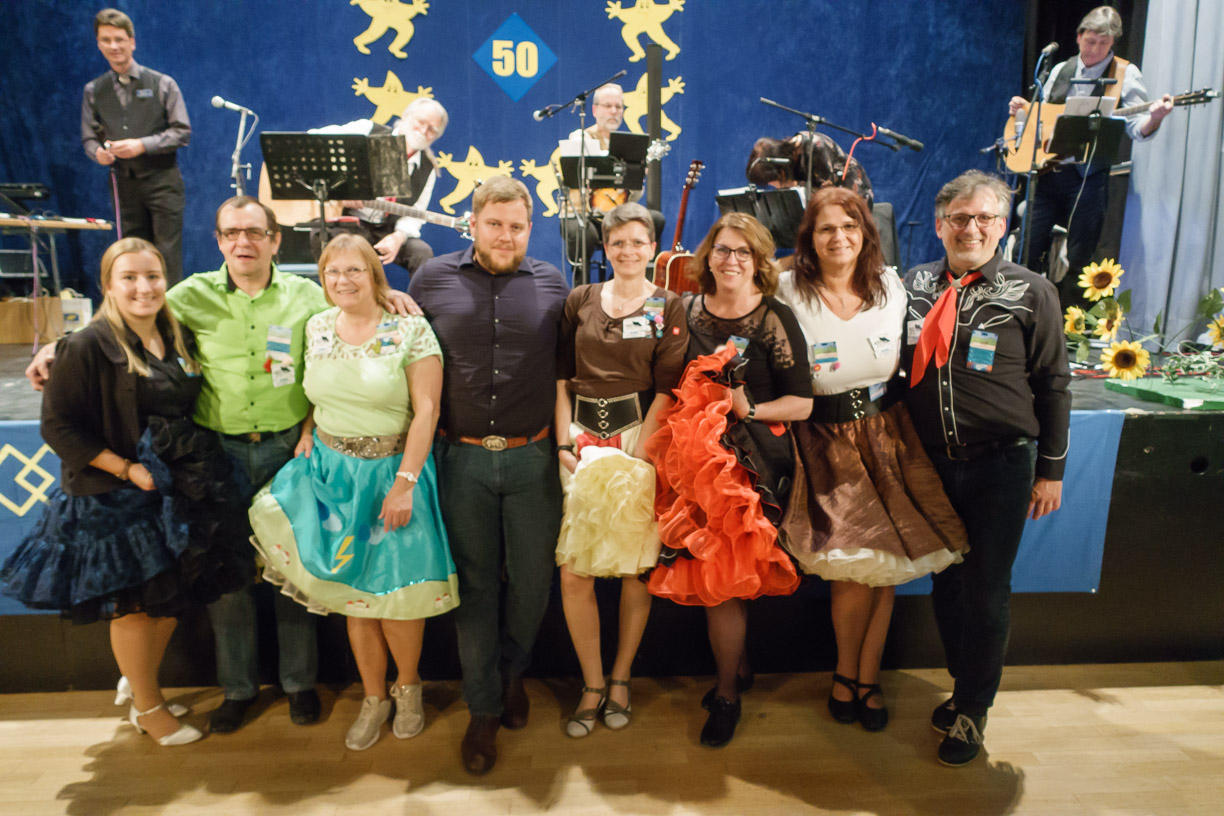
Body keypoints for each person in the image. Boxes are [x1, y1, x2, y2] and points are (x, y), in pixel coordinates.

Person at [24, 196, 421, 733]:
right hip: (217, 453)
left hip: (291, 450)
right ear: (218, 241)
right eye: (231, 232)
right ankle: (237, 689)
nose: (243, 242)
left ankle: (299, 683)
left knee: (294, 567)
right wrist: (57, 346)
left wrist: (387, 292)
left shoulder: (309, 295)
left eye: (255, 232)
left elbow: (355, 303)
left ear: (275, 239)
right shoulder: (188, 295)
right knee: (227, 577)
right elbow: (122, 317)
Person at [0, 238, 247, 746]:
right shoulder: (87, 345)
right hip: (111, 499)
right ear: (108, 285)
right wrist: (126, 469)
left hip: (168, 490)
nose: (143, 287)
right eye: (129, 277)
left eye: (152, 276)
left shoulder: (173, 333)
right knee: (135, 608)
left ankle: (139, 686)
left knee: (167, 599)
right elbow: (57, 427)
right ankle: (149, 708)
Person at [248, 233, 459, 751]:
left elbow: (427, 411)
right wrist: (306, 432)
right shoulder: (317, 326)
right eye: (332, 272)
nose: (343, 280)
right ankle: (373, 697)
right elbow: (314, 392)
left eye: (354, 270)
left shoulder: (410, 329)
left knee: (397, 594)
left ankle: (407, 688)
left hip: (393, 474)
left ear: (375, 275)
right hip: (331, 475)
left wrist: (405, 484)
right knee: (355, 595)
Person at [775, 187, 967, 733]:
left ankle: (867, 676)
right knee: (852, 570)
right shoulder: (787, 288)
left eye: (850, 226)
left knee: (885, 570)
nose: (839, 238)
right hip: (821, 439)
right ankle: (845, 673)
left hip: (886, 435)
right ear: (810, 238)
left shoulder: (891, 285)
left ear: (866, 232)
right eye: (826, 229)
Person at [904, 170, 1071, 766]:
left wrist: (1051, 470)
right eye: (959, 218)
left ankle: (973, 710)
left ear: (1003, 226)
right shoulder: (911, 286)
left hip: (1002, 465)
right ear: (940, 224)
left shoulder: (1032, 292)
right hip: (931, 467)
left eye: (984, 218)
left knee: (986, 590)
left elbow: (1053, 384)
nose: (970, 228)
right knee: (946, 583)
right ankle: (962, 686)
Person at [407, 176, 569, 774]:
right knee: (475, 587)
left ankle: (512, 672)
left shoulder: (553, 283)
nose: (506, 236)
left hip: (533, 459)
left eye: (517, 226)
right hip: (461, 460)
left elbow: (566, 373)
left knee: (531, 583)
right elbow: (406, 346)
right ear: (472, 224)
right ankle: (483, 708)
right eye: (494, 224)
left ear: (530, 229)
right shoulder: (430, 279)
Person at [646, 212, 812, 748]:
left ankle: (725, 695)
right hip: (691, 464)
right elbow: (663, 379)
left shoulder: (775, 317)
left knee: (721, 581)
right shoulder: (686, 309)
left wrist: (749, 409)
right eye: (723, 249)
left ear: (759, 261)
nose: (732, 260)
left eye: (743, 251)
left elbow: (802, 402)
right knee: (716, 578)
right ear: (708, 256)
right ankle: (735, 669)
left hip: (749, 469)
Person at [553, 203, 688, 737]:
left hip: (638, 439)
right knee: (574, 570)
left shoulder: (668, 305)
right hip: (579, 440)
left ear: (652, 247)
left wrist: (639, 457)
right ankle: (591, 683)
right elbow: (561, 377)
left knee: (636, 567)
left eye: (637, 242)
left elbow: (668, 386)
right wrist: (563, 442)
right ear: (604, 248)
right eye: (618, 243)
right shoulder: (580, 299)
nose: (628, 251)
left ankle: (621, 677)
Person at [1010, 6, 1173, 305]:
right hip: (1048, 173)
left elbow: (1138, 128)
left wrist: (1156, 117)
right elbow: (1040, 119)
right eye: (1090, 41)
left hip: (1088, 179)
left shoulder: (1125, 74)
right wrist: (1023, 110)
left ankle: (1068, 320)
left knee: (1080, 257)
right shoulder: (1061, 69)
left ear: (1113, 43)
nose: (1095, 49)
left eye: (1103, 43)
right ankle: (1023, 311)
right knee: (1026, 247)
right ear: (1078, 37)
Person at [82, 9, 191, 284]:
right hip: (124, 185)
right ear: (98, 44)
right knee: (131, 254)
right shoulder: (94, 90)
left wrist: (141, 145)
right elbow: (89, 138)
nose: (113, 46)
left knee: (166, 255)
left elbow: (181, 132)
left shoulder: (162, 84)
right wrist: (98, 153)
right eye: (106, 40)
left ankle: (169, 309)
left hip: (163, 182)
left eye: (119, 39)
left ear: (132, 42)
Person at [309, 98, 449, 275]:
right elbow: (314, 139)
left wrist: (398, 237)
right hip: (348, 221)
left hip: (385, 229)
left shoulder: (427, 169)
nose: (423, 131)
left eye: (432, 130)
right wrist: (340, 191)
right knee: (325, 233)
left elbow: (415, 214)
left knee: (421, 253)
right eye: (421, 122)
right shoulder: (367, 131)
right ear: (406, 116)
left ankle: (419, 295)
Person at [558, 83, 665, 278]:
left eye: (618, 107)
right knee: (583, 233)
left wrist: (636, 177)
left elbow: (631, 198)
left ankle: (624, 280)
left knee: (655, 219)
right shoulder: (580, 139)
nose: (614, 111)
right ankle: (582, 284)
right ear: (594, 110)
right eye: (608, 106)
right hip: (582, 214)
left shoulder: (629, 145)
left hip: (615, 215)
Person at [746, 132, 873, 209]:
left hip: (852, 198)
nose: (771, 185)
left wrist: (796, 185)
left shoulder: (815, 147)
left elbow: (827, 192)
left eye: (770, 181)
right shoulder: (789, 159)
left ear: (780, 171)